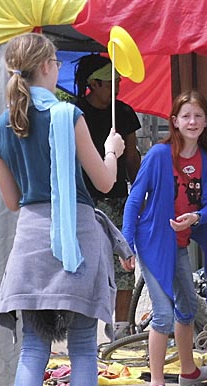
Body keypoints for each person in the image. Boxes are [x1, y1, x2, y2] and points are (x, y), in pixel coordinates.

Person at [0, 33, 130, 386]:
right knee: (83, 348)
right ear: (46, 67)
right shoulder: (68, 116)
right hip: (79, 241)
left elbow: (12, 201)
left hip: (31, 242)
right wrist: (111, 151)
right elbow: (104, 180)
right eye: (56, 64)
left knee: (34, 351)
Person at [121, 90, 207, 386]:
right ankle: (155, 384)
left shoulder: (206, 161)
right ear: (174, 122)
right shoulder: (158, 155)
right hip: (153, 244)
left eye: (198, 116)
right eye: (186, 116)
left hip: (180, 243)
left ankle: (189, 372)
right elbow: (134, 201)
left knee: (188, 309)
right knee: (164, 316)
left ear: (206, 121)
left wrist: (195, 217)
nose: (192, 121)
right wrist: (126, 244)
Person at [74, 54, 142, 339]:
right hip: (83, 199)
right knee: (85, 263)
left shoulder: (124, 113)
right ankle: (82, 326)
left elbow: (132, 157)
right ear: (94, 83)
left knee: (123, 262)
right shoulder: (74, 114)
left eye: (118, 80)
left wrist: (140, 189)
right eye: (111, 81)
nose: (117, 85)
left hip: (116, 199)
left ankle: (122, 329)